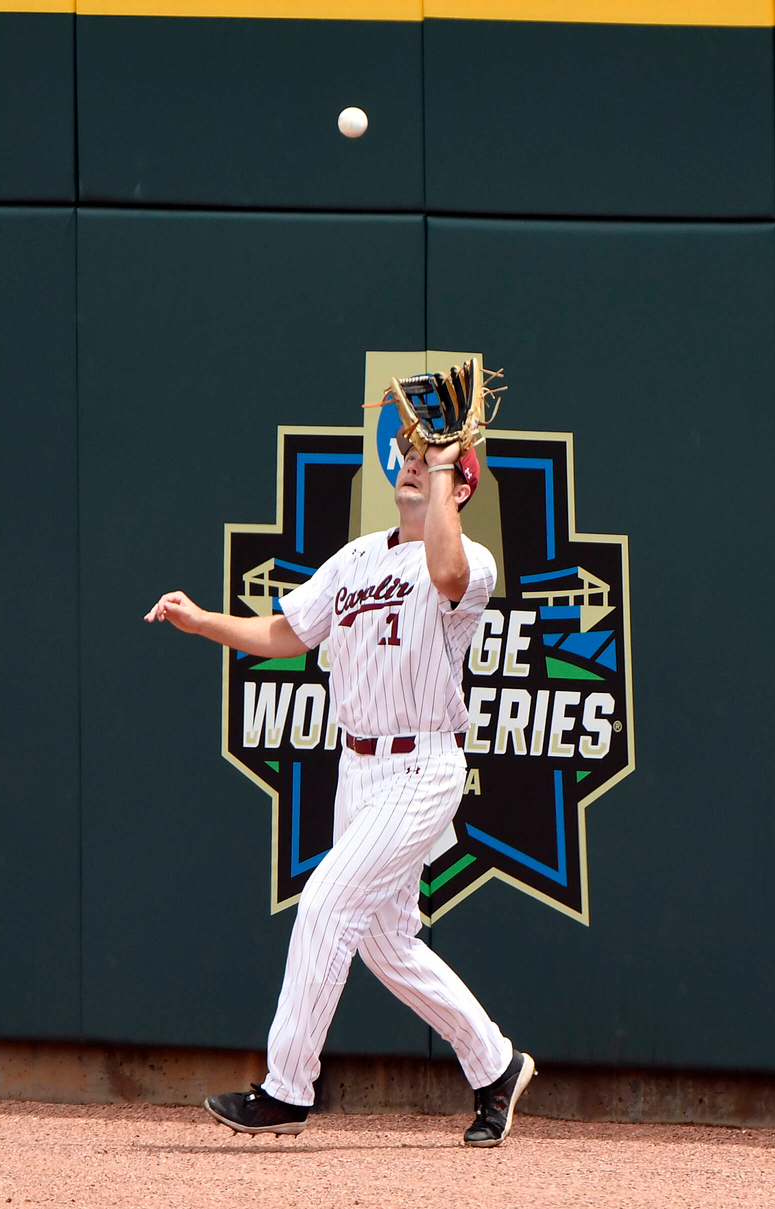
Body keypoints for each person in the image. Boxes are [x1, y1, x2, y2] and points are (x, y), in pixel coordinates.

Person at [144, 430, 534, 1148]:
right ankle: (497, 1063)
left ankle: (287, 1087)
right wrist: (202, 622)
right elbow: (286, 631)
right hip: (357, 769)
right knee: (386, 941)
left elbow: (443, 570)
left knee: (326, 900)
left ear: (460, 486)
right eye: (411, 459)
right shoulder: (356, 558)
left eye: (432, 464)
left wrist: (449, 467)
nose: (414, 466)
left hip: (423, 764)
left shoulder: (469, 561)